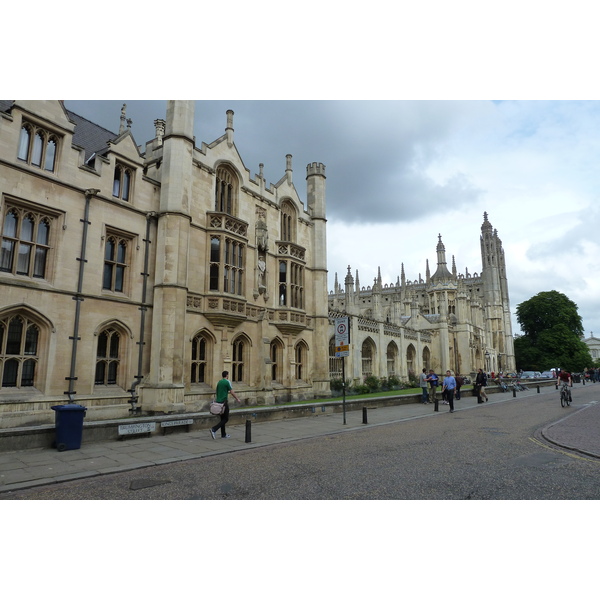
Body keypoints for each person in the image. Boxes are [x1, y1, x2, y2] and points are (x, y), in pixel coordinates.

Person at [209, 371, 241, 439]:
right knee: (226, 419)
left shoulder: (219, 382)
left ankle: (223, 434)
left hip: (218, 402)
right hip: (224, 403)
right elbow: (232, 392)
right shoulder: (227, 382)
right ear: (227, 375)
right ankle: (214, 429)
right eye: (228, 375)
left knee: (222, 419)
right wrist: (237, 398)